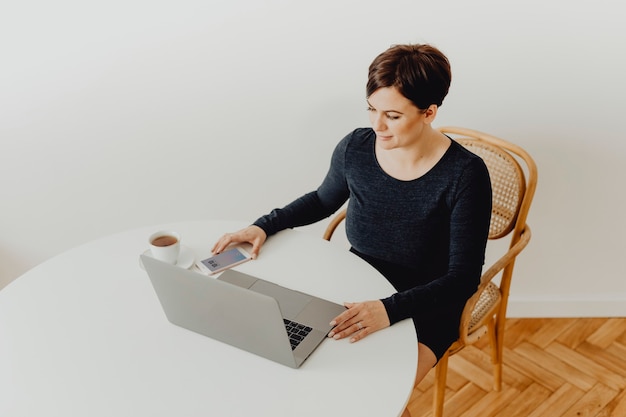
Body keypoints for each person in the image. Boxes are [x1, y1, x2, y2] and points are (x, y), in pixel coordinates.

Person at [212, 43, 492, 390]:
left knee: (380, 392)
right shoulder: (356, 148)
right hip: (357, 276)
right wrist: (262, 226)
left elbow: (463, 278)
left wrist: (388, 310)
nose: (378, 125)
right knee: (306, 373)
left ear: (429, 112)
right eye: (372, 109)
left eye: (393, 115)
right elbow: (320, 201)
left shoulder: (466, 175)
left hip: (430, 300)